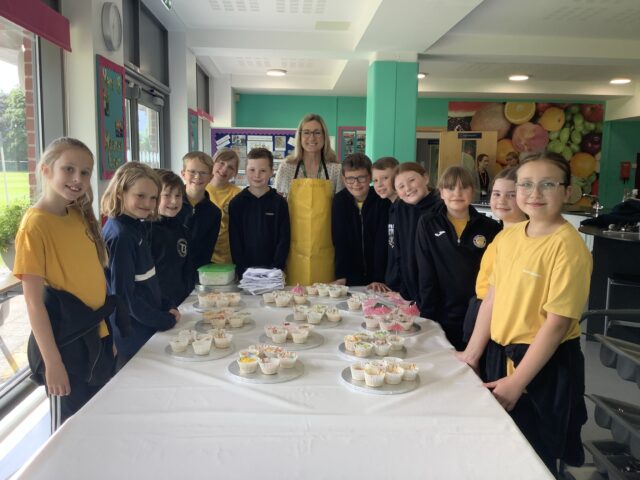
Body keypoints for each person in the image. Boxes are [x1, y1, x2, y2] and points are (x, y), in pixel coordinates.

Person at [457, 153, 592, 476]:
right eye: (526, 184)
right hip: (499, 355)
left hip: (541, 365)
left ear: (568, 192)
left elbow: (557, 325)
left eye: (548, 184)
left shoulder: (567, 247)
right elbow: (493, 295)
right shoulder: (510, 236)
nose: (535, 194)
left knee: (534, 457)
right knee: (499, 446)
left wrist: (517, 382)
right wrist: (472, 354)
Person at [14, 137, 126, 427]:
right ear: (46, 170)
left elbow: (94, 281)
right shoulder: (34, 225)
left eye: (85, 172)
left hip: (96, 336)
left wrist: (107, 337)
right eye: (69, 169)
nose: (78, 179)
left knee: (99, 417)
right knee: (72, 427)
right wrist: (53, 363)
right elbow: (33, 302)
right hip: (67, 345)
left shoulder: (77, 214)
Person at [102, 162, 179, 367]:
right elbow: (123, 297)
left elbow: (148, 277)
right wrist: (163, 320)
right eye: (140, 196)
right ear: (120, 193)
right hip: (133, 335)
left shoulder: (137, 226)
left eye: (153, 197)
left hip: (146, 325)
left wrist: (165, 304)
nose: (148, 203)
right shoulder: (121, 235)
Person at [416, 166, 500, 351]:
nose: (457, 193)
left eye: (464, 187)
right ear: (441, 192)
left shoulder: (490, 227)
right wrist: (427, 316)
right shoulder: (428, 223)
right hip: (440, 311)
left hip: (478, 314)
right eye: (450, 188)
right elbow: (426, 270)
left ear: (473, 191)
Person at [273, 113, 343, 285]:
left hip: (326, 247)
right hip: (293, 247)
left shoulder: (335, 169)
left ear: (325, 136)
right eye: (307, 132)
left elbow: (341, 211)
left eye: (317, 132)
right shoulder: (287, 167)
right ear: (300, 136)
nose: (312, 137)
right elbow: (278, 208)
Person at [463, 167, 526, 346]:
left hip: (499, 323)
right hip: (483, 313)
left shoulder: (523, 237)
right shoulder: (502, 234)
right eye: (496, 194)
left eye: (511, 195)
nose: (501, 201)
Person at [228, 148, 290, 278]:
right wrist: (242, 271)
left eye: (263, 171)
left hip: (273, 272)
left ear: (271, 172)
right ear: (245, 171)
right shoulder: (237, 203)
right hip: (245, 273)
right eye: (252, 170)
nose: (257, 175)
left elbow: (284, 239)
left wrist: (276, 268)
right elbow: (235, 242)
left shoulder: (279, 203)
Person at [331, 153, 389, 290]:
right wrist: (341, 275)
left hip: (380, 279)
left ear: (370, 177)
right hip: (350, 277)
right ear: (344, 180)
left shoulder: (382, 200)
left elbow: (383, 242)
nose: (356, 184)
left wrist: (378, 278)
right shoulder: (339, 201)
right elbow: (339, 241)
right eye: (350, 179)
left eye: (361, 178)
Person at [391, 162, 441, 303]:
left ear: (425, 178)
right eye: (401, 186)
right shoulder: (400, 207)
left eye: (412, 180)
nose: (408, 188)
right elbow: (398, 246)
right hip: (410, 286)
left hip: (437, 287)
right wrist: (403, 289)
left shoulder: (441, 207)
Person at [150, 169, 194, 308]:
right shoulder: (145, 231)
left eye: (178, 195)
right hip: (155, 305)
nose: (174, 201)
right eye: (166, 195)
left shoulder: (183, 230)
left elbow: (187, 268)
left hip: (180, 303)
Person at [176, 151, 222, 278]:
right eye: (192, 172)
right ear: (183, 174)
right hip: (169, 273)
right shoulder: (171, 205)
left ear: (211, 177)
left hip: (197, 275)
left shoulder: (214, 213)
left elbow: (207, 251)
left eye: (203, 173)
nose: (197, 177)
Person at [205, 148, 242, 265]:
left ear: (234, 173)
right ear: (213, 163)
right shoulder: (201, 188)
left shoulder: (238, 194)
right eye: (221, 163)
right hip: (204, 252)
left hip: (227, 255)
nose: (224, 169)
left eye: (231, 167)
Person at [372, 157, 400, 291]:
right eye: (375, 180)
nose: (379, 184)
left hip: (404, 289)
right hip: (391, 284)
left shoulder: (405, 209)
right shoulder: (390, 207)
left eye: (385, 178)